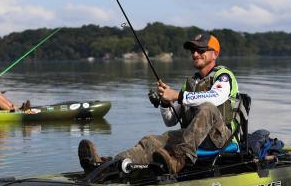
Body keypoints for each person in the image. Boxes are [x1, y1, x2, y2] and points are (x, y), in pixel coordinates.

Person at [78, 33, 238, 176]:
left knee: (207, 107)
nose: (195, 54)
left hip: (221, 138)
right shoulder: (190, 83)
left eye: (201, 50)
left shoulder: (223, 75)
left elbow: (217, 97)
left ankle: (178, 160)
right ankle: (107, 166)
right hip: (191, 138)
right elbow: (170, 120)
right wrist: (164, 102)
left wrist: (177, 95)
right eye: (193, 51)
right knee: (150, 141)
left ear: (215, 54)